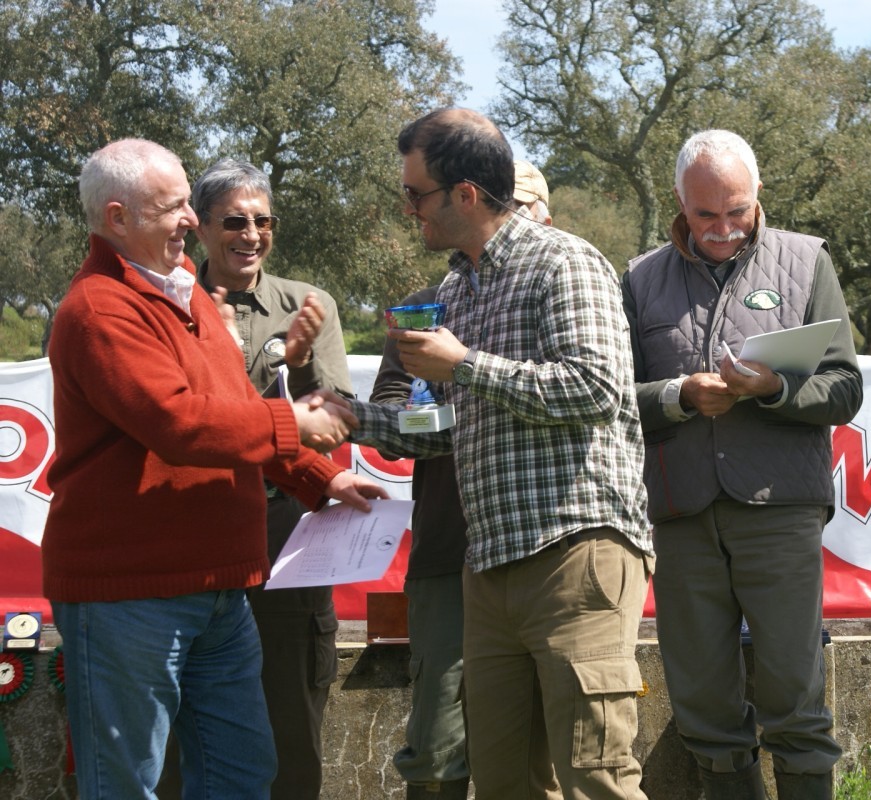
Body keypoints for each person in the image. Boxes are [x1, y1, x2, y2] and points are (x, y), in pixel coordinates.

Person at [43, 138, 386, 800]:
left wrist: (321, 478)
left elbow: (234, 411)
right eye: (173, 207)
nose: (189, 221)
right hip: (131, 596)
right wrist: (295, 426)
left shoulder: (188, 295)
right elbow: (179, 424)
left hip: (219, 587)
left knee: (242, 774)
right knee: (128, 784)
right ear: (117, 218)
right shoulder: (99, 309)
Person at [327, 108, 654, 799]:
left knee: (596, 775)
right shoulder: (456, 288)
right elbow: (450, 430)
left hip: (577, 552)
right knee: (506, 782)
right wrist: (349, 418)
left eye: (415, 193)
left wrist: (466, 365)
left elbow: (597, 388)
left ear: (466, 194)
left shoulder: (565, 262)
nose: (408, 208)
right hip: (489, 564)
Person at [622, 129, 862, 800]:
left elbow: (845, 389)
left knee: (795, 693)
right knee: (702, 701)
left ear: (758, 196)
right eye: (706, 214)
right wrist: (678, 396)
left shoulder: (807, 261)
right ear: (680, 202)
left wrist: (775, 388)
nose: (724, 228)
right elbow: (612, 397)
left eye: (738, 210)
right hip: (681, 512)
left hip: (779, 507)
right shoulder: (639, 278)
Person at [369, 159, 553, 799]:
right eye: (504, 206)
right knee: (438, 747)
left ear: (544, 217)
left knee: (541, 747)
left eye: (523, 209)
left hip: (541, 548)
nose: (510, 221)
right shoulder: (425, 308)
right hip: (450, 547)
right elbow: (391, 417)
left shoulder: (564, 293)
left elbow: (593, 397)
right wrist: (439, 403)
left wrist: (476, 378)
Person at [169, 158, 350, 800]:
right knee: (181, 722)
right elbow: (185, 420)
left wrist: (293, 366)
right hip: (192, 529)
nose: (251, 235)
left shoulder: (308, 304)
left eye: (262, 221)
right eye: (234, 222)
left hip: (284, 529)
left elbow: (333, 422)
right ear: (200, 228)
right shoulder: (168, 303)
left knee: (290, 712)